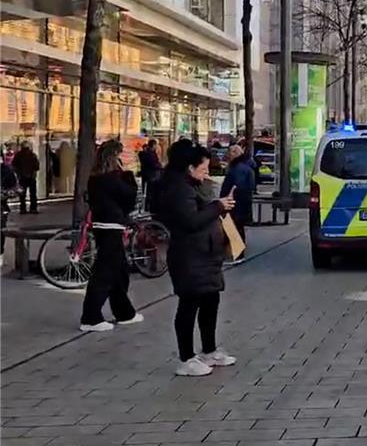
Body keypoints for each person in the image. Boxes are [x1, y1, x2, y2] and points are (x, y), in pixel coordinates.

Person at [159, 144, 236, 376]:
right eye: (202, 169)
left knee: (210, 301)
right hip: (189, 257)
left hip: (206, 255)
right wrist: (217, 206)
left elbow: (204, 212)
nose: (206, 173)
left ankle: (209, 350)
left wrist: (218, 204)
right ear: (189, 167)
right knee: (189, 305)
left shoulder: (193, 186)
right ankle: (186, 358)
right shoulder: (178, 189)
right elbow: (190, 221)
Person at [79, 140, 143, 332]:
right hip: (112, 226)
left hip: (102, 225)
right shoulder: (114, 178)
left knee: (119, 270)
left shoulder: (95, 178)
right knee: (105, 273)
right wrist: (129, 176)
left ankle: (125, 312)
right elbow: (130, 198)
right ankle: (91, 317)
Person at [219, 144, 255, 260]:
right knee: (237, 226)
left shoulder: (237, 168)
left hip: (235, 201)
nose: (229, 155)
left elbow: (235, 185)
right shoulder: (245, 166)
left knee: (232, 225)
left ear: (235, 153)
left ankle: (238, 253)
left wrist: (227, 196)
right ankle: (237, 252)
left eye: (231, 152)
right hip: (242, 201)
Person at [12, 142, 39, 214]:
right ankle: (33, 208)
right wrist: (33, 174)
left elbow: (14, 165)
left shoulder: (18, 155)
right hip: (30, 177)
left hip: (23, 177)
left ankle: (23, 208)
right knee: (32, 194)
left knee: (23, 195)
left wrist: (18, 174)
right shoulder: (32, 155)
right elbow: (36, 167)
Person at [138, 139, 162, 212]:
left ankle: (145, 206)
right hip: (152, 175)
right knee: (150, 192)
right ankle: (147, 207)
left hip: (146, 174)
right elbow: (153, 164)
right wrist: (160, 166)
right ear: (153, 145)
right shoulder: (150, 154)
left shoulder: (144, 153)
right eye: (156, 145)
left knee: (145, 192)